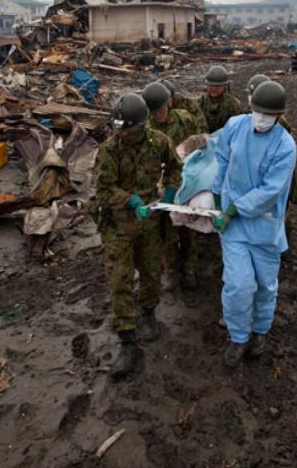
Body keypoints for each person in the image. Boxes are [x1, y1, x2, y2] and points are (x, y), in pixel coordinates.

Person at [91, 93, 181, 378]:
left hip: (150, 222)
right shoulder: (109, 150)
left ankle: (148, 312)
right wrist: (130, 201)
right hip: (119, 224)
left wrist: (169, 190)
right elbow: (103, 190)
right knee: (119, 279)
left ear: (142, 124)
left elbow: (176, 168)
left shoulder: (158, 143)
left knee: (152, 271)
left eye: (128, 128)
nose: (123, 132)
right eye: (120, 128)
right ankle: (127, 339)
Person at [211, 81, 297, 369]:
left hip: (263, 225)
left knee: (264, 285)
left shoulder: (285, 146)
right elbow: (221, 158)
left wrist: (235, 208)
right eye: (257, 112)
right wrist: (216, 195)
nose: (260, 119)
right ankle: (238, 337)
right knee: (238, 285)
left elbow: (271, 190)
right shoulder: (235, 126)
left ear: (278, 115)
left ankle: (260, 332)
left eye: (267, 115)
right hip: (233, 227)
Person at [142, 81, 204, 289]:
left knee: (189, 228)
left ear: (169, 102)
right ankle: (170, 269)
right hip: (162, 184)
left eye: (161, 108)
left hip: (188, 182)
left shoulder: (185, 120)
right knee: (165, 231)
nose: (159, 114)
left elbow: (202, 145)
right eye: (154, 111)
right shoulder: (146, 129)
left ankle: (190, 268)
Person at [197, 65, 244, 133]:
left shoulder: (233, 104)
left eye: (217, 86)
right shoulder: (200, 102)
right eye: (211, 85)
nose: (213, 89)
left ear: (224, 86)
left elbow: (238, 127)